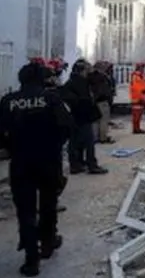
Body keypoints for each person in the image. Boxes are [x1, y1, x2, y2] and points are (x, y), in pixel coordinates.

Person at [0, 61, 73, 276]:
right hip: (48, 160)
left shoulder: (8, 101)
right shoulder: (51, 98)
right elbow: (67, 126)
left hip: (21, 162)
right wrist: (54, 146)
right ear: (42, 79)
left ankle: (31, 258)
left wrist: (12, 147)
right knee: (49, 203)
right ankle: (48, 241)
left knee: (26, 210)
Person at [60, 60, 107, 175]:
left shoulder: (70, 82)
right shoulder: (80, 83)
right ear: (82, 71)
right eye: (86, 70)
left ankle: (76, 164)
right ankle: (92, 165)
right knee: (89, 141)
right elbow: (84, 98)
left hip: (74, 116)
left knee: (75, 142)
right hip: (83, 116)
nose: (88, 73)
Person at [89, 61, 115, 145]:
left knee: (95, 120)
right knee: (104, 119)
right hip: (102, 100)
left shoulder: (90, 76)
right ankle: (103, 137)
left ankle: (95, 137)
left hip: (94, 101)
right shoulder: (102, 77)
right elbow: (105, 90)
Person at [129, 63, 145, 134]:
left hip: (140, 97)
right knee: (136, 115)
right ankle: (136, 129)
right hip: (137, 98)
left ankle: (137, 128)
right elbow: (136, 88)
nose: (143, 69)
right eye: (142, 68)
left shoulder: (140, 76)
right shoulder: (136, 76)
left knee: (138, 115)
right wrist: (141, 97)